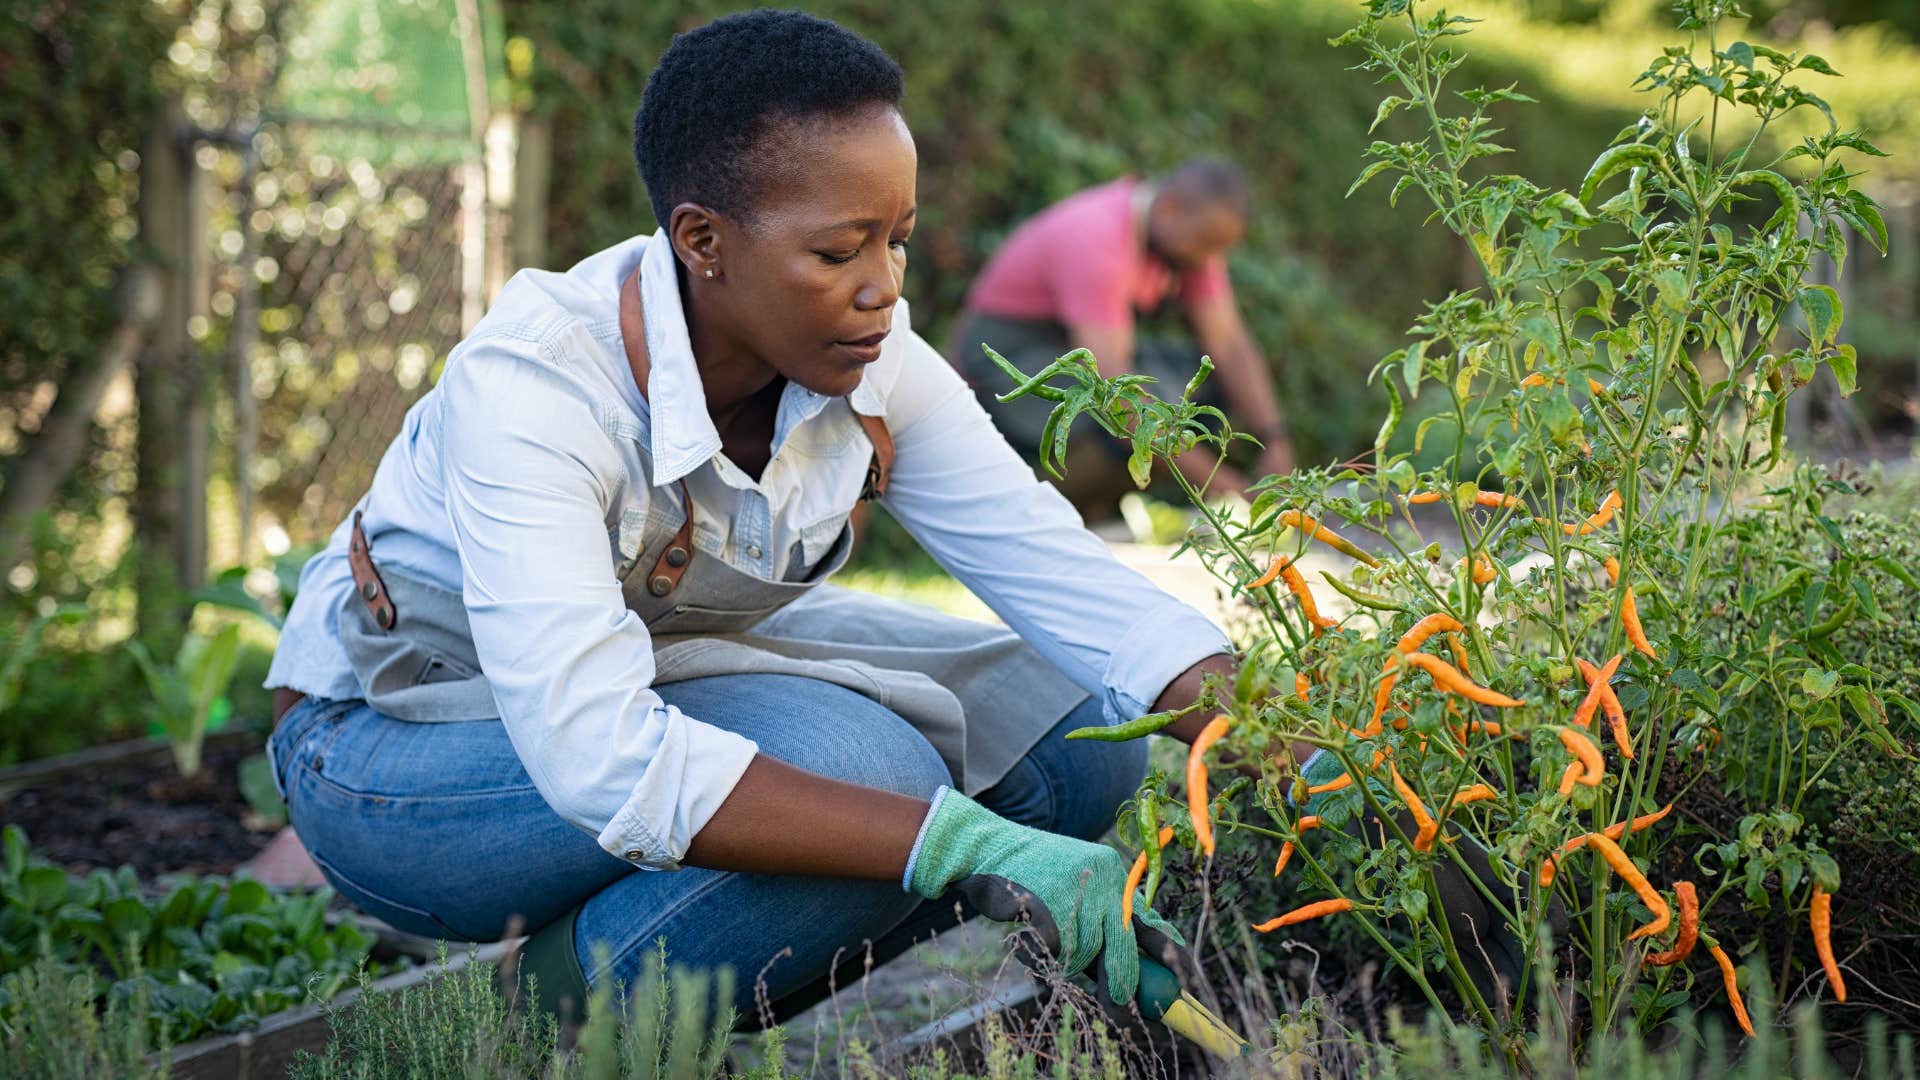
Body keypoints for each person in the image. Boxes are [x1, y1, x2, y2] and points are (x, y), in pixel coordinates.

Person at [260, 10, 1315, 1025]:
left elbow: (1071, 586)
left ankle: (668, 965)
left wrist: (1316, 761)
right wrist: (958, 846)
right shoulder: (539, 390)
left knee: (1079, 732)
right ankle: (554, 1017)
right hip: (392, 754)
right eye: (839, 252)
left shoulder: (873, 366)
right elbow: (599, 754)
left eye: (897, 242)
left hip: (670, 675)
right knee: (864, 776)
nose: (884, 291)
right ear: (704, 241)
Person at [948, 161, 1293, 513]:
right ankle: (1026, 507)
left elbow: (1229, 343)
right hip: (1001, 364)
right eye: (1206, 243)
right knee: (1118, 415)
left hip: (1065, 350)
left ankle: (1093, 506)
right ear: (1171, 206)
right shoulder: (1099, 238)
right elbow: (1118, 400)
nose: (1210, 258)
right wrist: (1224, 490)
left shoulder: (1187, 245)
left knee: (1203, 387)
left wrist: (1275, 438)